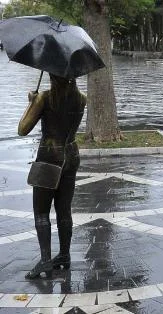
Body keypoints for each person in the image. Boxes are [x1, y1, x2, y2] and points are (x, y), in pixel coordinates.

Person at [18, 74, 87, 279]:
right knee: (64, 210)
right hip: (71, 155)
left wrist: (32, 103)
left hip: (49, 157)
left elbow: (22, 129)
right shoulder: (81, 98)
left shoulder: (45, 99)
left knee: (41, 212)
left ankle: (46, 261)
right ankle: (64, 255)